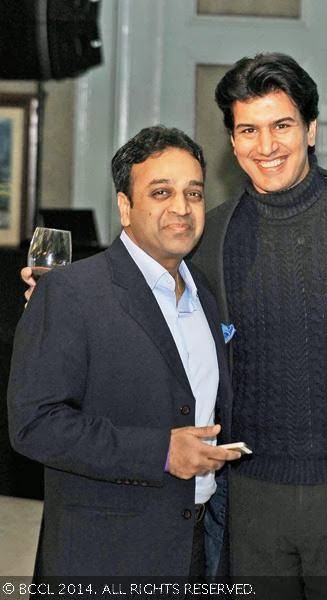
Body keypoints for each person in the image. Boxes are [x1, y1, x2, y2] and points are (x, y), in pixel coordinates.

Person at [190, 53, 327, 596]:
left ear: (311, 129)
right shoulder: (208, 237)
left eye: (282, 125)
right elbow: (140, 290)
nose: (266, 146)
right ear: (233, 140)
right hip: (250, 499)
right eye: (248, 129)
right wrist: (57, 297)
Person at [9, 125, 242, 578]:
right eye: (161, 192)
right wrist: (160, 452)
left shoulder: (207, 295)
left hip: (197, 550)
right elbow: (33, 424)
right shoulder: (71, 292)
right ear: (125, 207)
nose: (182, 207)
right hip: (104, 558)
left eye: (194, 194)